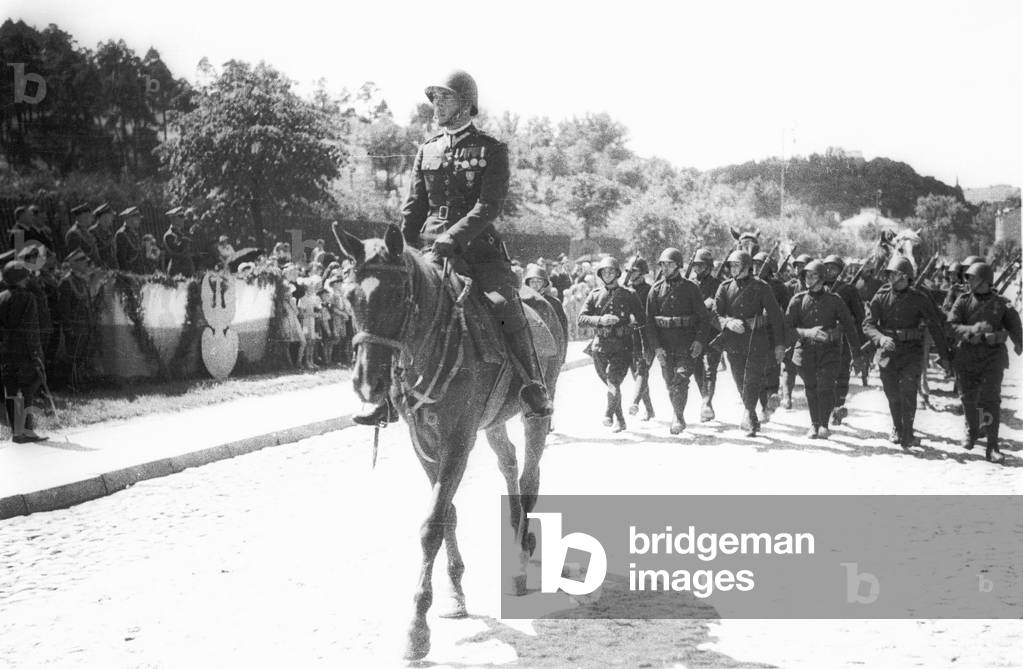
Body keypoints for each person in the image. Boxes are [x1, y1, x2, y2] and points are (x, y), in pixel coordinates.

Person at [354, 68, 552, 427]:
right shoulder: (426, 150)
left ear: (465, 104)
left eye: (444, 97)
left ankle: (532, 385)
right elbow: (414, 209)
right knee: (397, 308)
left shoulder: (491, 149)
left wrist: (454, 237)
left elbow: (488, 206)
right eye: (434, 97)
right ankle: (386, 396)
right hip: (430, 252)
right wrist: (397, 251)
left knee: (505, 305)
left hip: (479, 253)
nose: (436, 104)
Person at [862, 255, 953, 450]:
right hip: (888, 352)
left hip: (912, 351)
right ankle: (896, 426)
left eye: (893, 274)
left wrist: (944, 357)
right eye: (889, 274)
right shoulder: (881, 296)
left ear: (904, 276)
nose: (889, 278)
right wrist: (880, 338)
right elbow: (868, 324)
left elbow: (935, 326)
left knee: (908, 391)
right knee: (892, 393)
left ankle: (908, 432)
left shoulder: (920, 299)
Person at [947, 262, 1023, 462]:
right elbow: (951, 325)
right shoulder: (963, 301)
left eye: (971, 277)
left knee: (991, 400)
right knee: (968, 399)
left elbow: (1015, 324)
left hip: (993, 358)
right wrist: (972, 330)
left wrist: (1018, 343)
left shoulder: (1002, 303)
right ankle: (972, 431)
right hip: (967, 357)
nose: (968, 280)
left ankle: (992, 446)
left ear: (983, 280)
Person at [784, 260, 862, 439]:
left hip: (830, 352)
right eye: (806, 276)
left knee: (826, 387)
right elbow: (787, 330)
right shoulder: (797, 301)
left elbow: (850, 327)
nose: (808, 280)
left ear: (822, 278)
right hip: (805, 352)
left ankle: (824, 425)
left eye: (813, 276)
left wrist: (856, 356)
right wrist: (807, 332)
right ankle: (814, 424)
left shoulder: (835, 301)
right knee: (811, 388)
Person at [712, 250, 785, 437]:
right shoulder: (725, 287)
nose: (733, 269)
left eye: (736, 265)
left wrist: (778, 345)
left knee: (752, 378)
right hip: (733, 342)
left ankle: (747, 414)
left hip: (757, 341)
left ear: (746, 266)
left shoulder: (762, 287)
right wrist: (727, 322)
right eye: (731, 266)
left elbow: (776, 317)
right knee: (739, 381)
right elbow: (714, 315)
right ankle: (752, 416)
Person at [577, 257, 647, 432]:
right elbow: (581, 319)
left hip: (622, 346)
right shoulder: (594, 294)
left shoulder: (629, 294)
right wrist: (601, 319)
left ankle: (608, 414)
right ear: (600, 274)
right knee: (611, 384)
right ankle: (621, 420)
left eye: (611, 271)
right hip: (599, 347)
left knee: (613, 380)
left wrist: (631, 325)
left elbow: (643, 320)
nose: (608, 274)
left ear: (617, 273)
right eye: (604, 272)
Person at [648, 248, 712, 435]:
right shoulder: (655, 290)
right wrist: (657, 348)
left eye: (669, 264)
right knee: (670, 382)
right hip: (665, 345)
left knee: (681, 378)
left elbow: (703, 318)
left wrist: (699, 341)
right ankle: (678, 414)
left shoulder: (691, 288)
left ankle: (678, 417)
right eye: (663, 264)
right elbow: (649, 323)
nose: (665, 268)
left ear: (678, 265)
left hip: (686, 342)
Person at [0, 261, 48, 443]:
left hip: (6, 352)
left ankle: (16, 432)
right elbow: (31, 329)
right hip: (26, 353)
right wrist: (37, 354)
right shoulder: (28, 298)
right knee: (27, 390)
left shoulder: (1, 297)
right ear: (21, 279)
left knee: (11, 392)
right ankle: (27, 431)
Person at [821, 254, 866, 425]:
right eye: (826, 267)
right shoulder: (817, 287)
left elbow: (860, 316)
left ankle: (838, 407)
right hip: (822, 338)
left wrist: (860, 344)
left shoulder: (848, 290)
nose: (829, 270)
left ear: (840, 271)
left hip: (842, 339)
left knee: (841, 374)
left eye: (833, 268)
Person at [753, 251, 790, 423]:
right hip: (755, 331)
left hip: (773, 331)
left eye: (761, 265)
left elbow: (788, 310)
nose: (757, 268)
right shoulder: (751, 284)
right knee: (758, 370)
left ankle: (771, 397)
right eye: (755, 264)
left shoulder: (779, 287)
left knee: (773, 368)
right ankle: (764, 406)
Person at [690, 247, 722, 421]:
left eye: (701, 266)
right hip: (694, 332)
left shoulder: (717, 285)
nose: (697, 269)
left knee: (711, 368)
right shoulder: (690, 283)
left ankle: (707, 403)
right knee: (696, 367)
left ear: (709, 267)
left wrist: (711, 304)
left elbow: (719, 306)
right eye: (695, 265)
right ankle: (705, 397)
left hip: (712, 332)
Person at [622, 255, 655, 420]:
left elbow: (652, 315)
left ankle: (635, 403)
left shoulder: (649, 290)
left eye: (633, 271)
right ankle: (649, 409)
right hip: (628, 338)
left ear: (642, 273)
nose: (629, 273)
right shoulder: (624, 290)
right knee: (636, 374)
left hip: (645, 336)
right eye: (628, 270)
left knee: (642, 370)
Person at [163, 207, 195, 276]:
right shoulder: (169, 235)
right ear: (173, 219)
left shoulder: (182, 233)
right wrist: (185, 240)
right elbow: (177, 252)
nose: (184, 219)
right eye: (181, 216)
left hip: (187, 272)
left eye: (183, 216)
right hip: (177, 273)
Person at [115, 206, 145, 274]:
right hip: (129, 274)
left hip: (137, 272)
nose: (140, 220)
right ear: (129, 218)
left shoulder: (133, 233)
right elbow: (122, 260)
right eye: (137, 218)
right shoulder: (122, 234)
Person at [89, 202, 118, 269]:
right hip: (101, 269)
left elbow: (113, 252)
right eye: (110, 216)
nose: (112, 219)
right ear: (104, 217)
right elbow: (94, 254)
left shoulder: (108, 231)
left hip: (111, 268)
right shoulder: (93, 232)